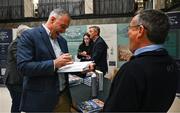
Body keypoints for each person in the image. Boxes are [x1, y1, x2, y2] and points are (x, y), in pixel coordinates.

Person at [103, 9, 178, 112]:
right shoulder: (171, 63)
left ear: (140, 31)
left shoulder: (132, 70)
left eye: (130, 28)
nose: (128, 32)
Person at [17, 8, 74, 112]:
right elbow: (23, 67)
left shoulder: (62, 41)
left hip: (63, 97)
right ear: (52, 19)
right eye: (63, 26)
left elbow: (64, 66)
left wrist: (82, 70)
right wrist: (54, 63)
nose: (64, 31)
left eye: (66, 28)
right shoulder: (29, 36)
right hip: (40, 100)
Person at [5, 25, 31, 113]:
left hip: (18, 79)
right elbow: (20, 58)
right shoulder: (16, 43)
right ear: (23, 34)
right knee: (17, 103)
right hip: (14, 80)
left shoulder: (21, 42)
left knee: (19, 103)